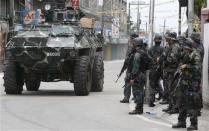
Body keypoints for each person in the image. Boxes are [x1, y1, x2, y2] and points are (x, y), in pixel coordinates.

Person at [172, 38, 201, 130]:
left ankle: (193, 124)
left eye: (186, 48)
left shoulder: (196, 54)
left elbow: (197, 67)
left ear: (190, 47)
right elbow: (180, 62)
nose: (185, 49)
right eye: (184, 48)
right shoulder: (185, 53)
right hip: (184, 81)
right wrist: (180, 68)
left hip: (193, 82)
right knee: (181, 102)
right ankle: (181, 121)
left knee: (192, 103)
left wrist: (187, 66)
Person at [160, 32, 181, 114]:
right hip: (169, 71)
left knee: (173, 90)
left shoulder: (175, 47)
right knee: (169, 89)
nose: (166, 39)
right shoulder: (170, 46)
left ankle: (175, 107)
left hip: (173, 72)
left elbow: (172, 60)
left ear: (171, 39)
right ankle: (171, 106)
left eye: (167, 38)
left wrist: (165, 58)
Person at [129, 38, 147, 115]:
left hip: (138, 75)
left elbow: (135, 67)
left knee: (138, 92)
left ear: (136, 45)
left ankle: (138, 109)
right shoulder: (144, 52)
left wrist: (132, 78)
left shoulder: (137, 54)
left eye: (133, 44)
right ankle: (140, 108)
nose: (132, 46)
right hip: (143, 74)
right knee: (141, 91)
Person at [120, 33, 138, 103]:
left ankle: (126, 97)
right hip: (137, 68)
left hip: (131, 67)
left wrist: (124, 67)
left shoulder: (131, 46)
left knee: (128, 81)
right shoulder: (140, 45)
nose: (129, 39)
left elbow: (128, 58)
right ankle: (136, 97)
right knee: (135, 82)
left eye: (130, 38)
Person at [148, 34, 164, 107]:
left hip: (153, 70)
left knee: (152, 85)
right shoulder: (163, 49)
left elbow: (148, 60)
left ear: (154, 41)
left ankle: (151, 101)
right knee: (166, 84)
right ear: (160, 41)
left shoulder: (150, 49)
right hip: (161, 69)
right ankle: (164, 98)